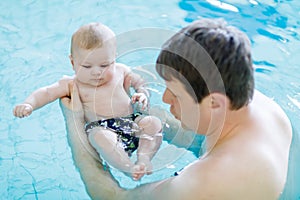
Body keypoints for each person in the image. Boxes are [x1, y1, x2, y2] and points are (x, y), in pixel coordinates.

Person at [62, 18, 292, 200]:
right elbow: (201, 141)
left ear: (215, 102)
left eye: (175, 94)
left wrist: (75, 122)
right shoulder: (257, 104)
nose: (165, 97)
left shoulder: (205, 183)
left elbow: (113, 197)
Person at [13, 22, 163, 181]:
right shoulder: (71, 84)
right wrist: (29, 104)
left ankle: (144, 159)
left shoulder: (121, 71)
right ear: (72, 63)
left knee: (153, 123)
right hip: (104, 128)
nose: (97, 72)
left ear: (114, 58)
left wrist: (142, 93)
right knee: (98, 136)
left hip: (132, 122)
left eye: (105, 65)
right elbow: (47, 92)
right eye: (87, 66)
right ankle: (128, 167)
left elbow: (140, 82)